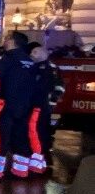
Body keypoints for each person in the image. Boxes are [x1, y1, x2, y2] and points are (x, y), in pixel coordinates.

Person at [0, 31, 36, 179]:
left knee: (0, 137)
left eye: (6, 39)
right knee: (21, 137)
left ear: (11, 41)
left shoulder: (6, 59)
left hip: (6, 105)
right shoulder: (30, 61)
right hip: (26, 106)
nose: (4, 41)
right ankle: (20, 170)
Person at [27, 44, 64, 173]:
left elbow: (57, 87)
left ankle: (39, 158)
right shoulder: (41, 67)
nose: (32, 55)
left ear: (42, 54)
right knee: (42, 131)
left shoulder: (45, 68)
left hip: (41, 105)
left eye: (35, 52)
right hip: (42, 105)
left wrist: (51, 101)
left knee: (38, 131)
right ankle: (42, 157)